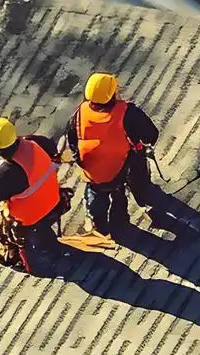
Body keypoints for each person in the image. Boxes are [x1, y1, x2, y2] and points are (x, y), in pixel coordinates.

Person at [65, 73, 165, 236]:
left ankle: (99, 224)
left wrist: (84, 163)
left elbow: (73, 142)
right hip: (123, 167)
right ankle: (133, 208)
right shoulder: (128, 113)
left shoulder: (79, 114)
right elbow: (151, 135)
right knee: (134, 181)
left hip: (94, 172)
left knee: (96, 195)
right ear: (112, 94)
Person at [0, 117, 70, 273]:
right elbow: (53, 152)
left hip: (32, 219)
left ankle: (20, 255)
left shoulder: (4, 172)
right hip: (55, 200)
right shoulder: (36, 142)